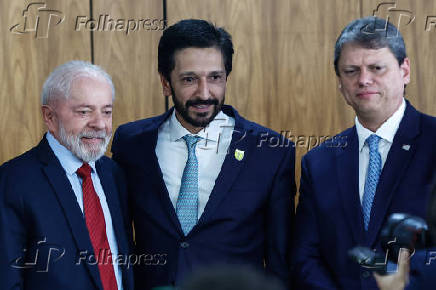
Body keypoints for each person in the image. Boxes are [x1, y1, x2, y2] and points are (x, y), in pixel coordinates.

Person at [111, 19, 295, 289]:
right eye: (189, 79)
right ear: (165, 83)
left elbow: (281, 261)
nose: (204, 93)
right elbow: (122, 241)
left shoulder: (270, 150)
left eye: (215, 78)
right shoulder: (131, 143)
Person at [292, 16, 436, 289]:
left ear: (405, 71)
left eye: (376, 68)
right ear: (340, 82)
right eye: (351, 70)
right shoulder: (318, 161)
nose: (363, 80)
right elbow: (305, 257)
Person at [0, 61, 134, 290]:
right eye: (84, 112)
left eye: (107, 111)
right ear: (50, 117)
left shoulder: (114, 174)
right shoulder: (12, 181)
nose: (100, 124)